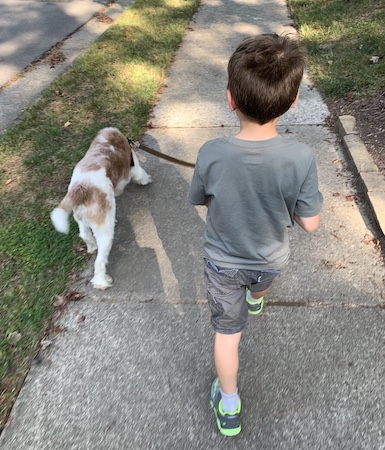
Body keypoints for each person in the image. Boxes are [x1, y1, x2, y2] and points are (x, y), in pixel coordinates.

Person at [188, 33, 323, 437]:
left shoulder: (212, 151)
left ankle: (228, 405)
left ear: (230, 98)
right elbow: (310, 223)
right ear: (293, 101)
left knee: (227, 336)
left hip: (223, 262)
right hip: (269, 260)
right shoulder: (300, 157)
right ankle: (257, 299)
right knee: (259, 287)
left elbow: (202, 201)